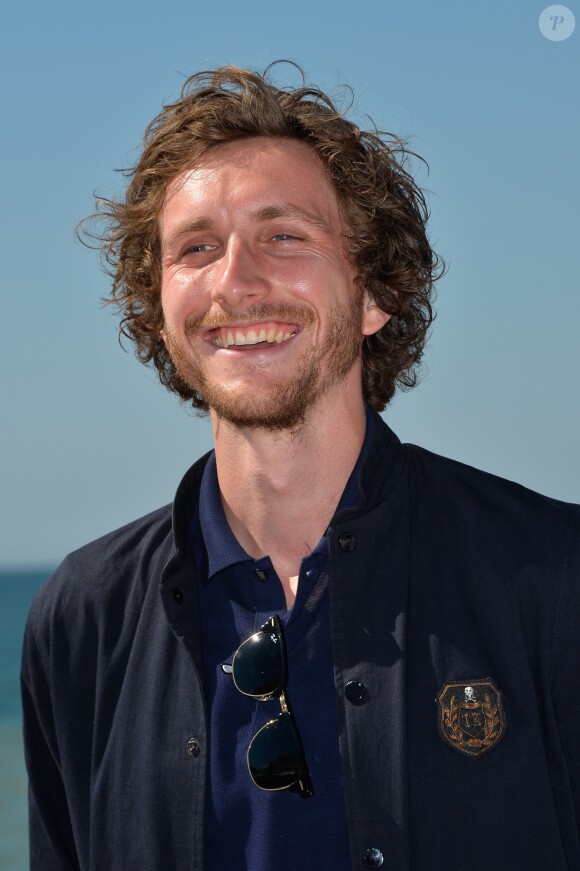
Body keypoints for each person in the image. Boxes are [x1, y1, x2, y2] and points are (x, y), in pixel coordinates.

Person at [21, 64, 580, 871]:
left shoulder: (551, 578)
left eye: (283, 235)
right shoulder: (83, 619)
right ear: (161, 311)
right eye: (196, 247)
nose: (235, 281)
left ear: (375, 292)